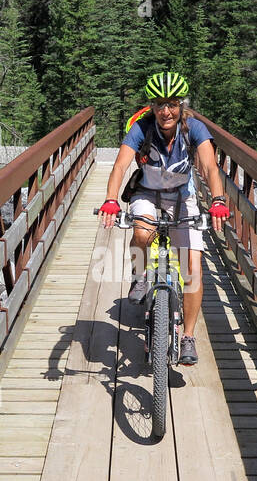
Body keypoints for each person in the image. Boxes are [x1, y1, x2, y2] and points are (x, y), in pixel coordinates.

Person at [98, 71, 229, 366]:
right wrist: (109, 199)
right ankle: (141, 275)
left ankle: (188, 337)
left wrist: (218, 200)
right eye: (159, 105)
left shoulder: (194, 128)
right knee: (142, 233)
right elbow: (119, 166)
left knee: (192, 269)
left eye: (172, 104)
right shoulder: (142, 128)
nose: (166, 111)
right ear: (152, 106)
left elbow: (209, 167)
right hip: (147, 192)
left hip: (183, 198)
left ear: (181, 105)